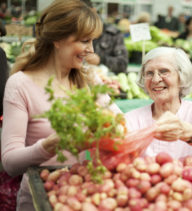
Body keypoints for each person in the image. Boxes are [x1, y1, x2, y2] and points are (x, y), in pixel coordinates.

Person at [1, 1, 120, 210]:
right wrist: (50, 145)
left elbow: (120, 123)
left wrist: (113, 128)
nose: (91, 50)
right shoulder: (20, 85)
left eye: (92, 41)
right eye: (84, 41)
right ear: (57, 39)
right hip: (40, 199)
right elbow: (10, 162)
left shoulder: (89, 79)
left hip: (83, 198)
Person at [125, 47, 192, 159]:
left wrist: (187, 131)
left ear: (181, 76)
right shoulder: (131, 119)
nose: (155, 79)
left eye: (164, 71)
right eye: (149, 73)